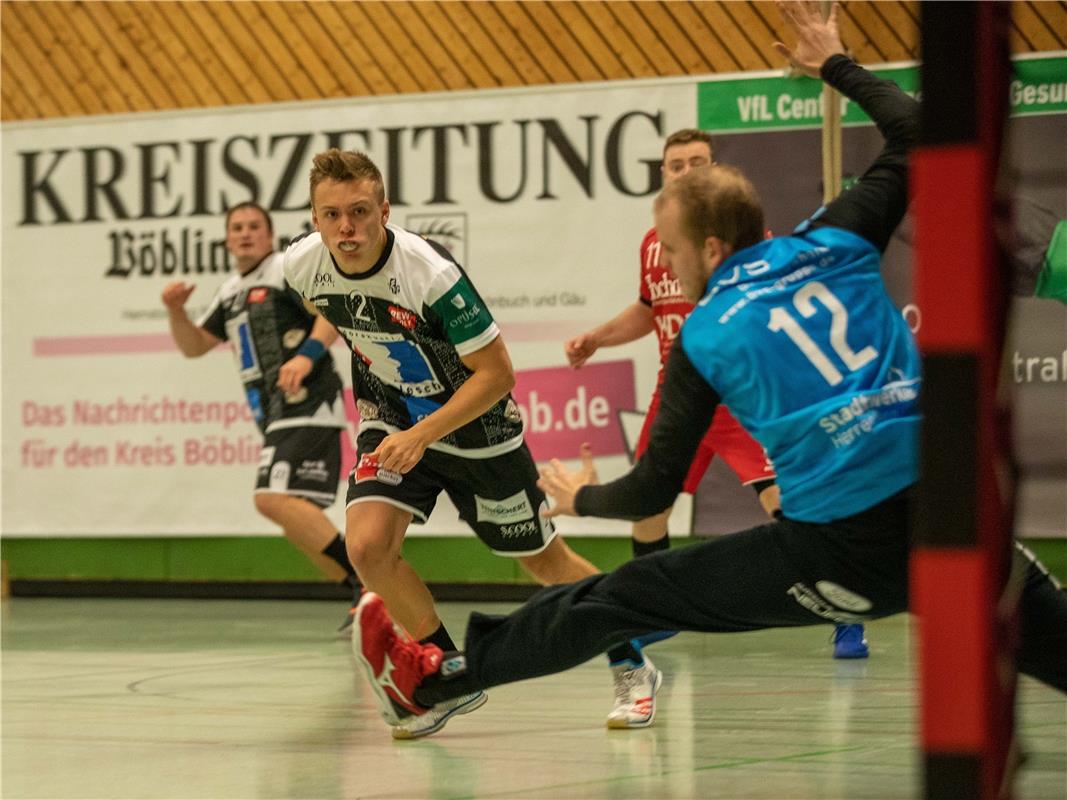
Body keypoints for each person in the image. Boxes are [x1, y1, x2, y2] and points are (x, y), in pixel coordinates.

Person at [349, 1, 1067, 733]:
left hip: (842, 553)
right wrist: (833, 65)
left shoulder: (708, 333)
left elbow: (651, 488)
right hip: (956, 517)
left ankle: (433, 681)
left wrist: (581, 500)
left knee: (620, 595)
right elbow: (917, 135)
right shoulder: (838, 238)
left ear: (714, 250)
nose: (665, 259)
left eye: (671, 247)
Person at [283, 148, 656, 738]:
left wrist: (424, 433)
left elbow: (497, 374)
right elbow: (343, 316)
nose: (345, 228)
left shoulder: (430, 275)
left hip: (477, 428)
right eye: (330, 215)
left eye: (359, 211)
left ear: (385, 210)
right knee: (368, 547)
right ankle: (447, 676)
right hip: (391, 418)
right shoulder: (302, 265)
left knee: (543, 560)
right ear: (313, 218)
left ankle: (631, 661)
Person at [564, 128, 868, 660]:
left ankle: (845, 612)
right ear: (663, 174)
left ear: (714, 170)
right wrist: (598, 338)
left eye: (696, 163)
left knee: (784, 502)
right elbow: (648, 308)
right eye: (675, 165)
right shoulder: (654, 242)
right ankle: (651, 615)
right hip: (676, 393)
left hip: (735, 394)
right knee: (648, 505)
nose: (685, 172)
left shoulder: (741, 234)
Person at [161, 202, 361, 630]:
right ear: (228, 238)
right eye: (237, 228)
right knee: (293, 513)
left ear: (269, 235)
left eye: (254, 226)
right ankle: (364, 594)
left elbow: (329, 313)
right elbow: (194, 346)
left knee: (270, 498)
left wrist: (306, 357)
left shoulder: (285, 270)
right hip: (272, 412)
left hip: (310, 401)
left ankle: (366, 583)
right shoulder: (231, 288)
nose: (245, 233)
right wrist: (176, 311)